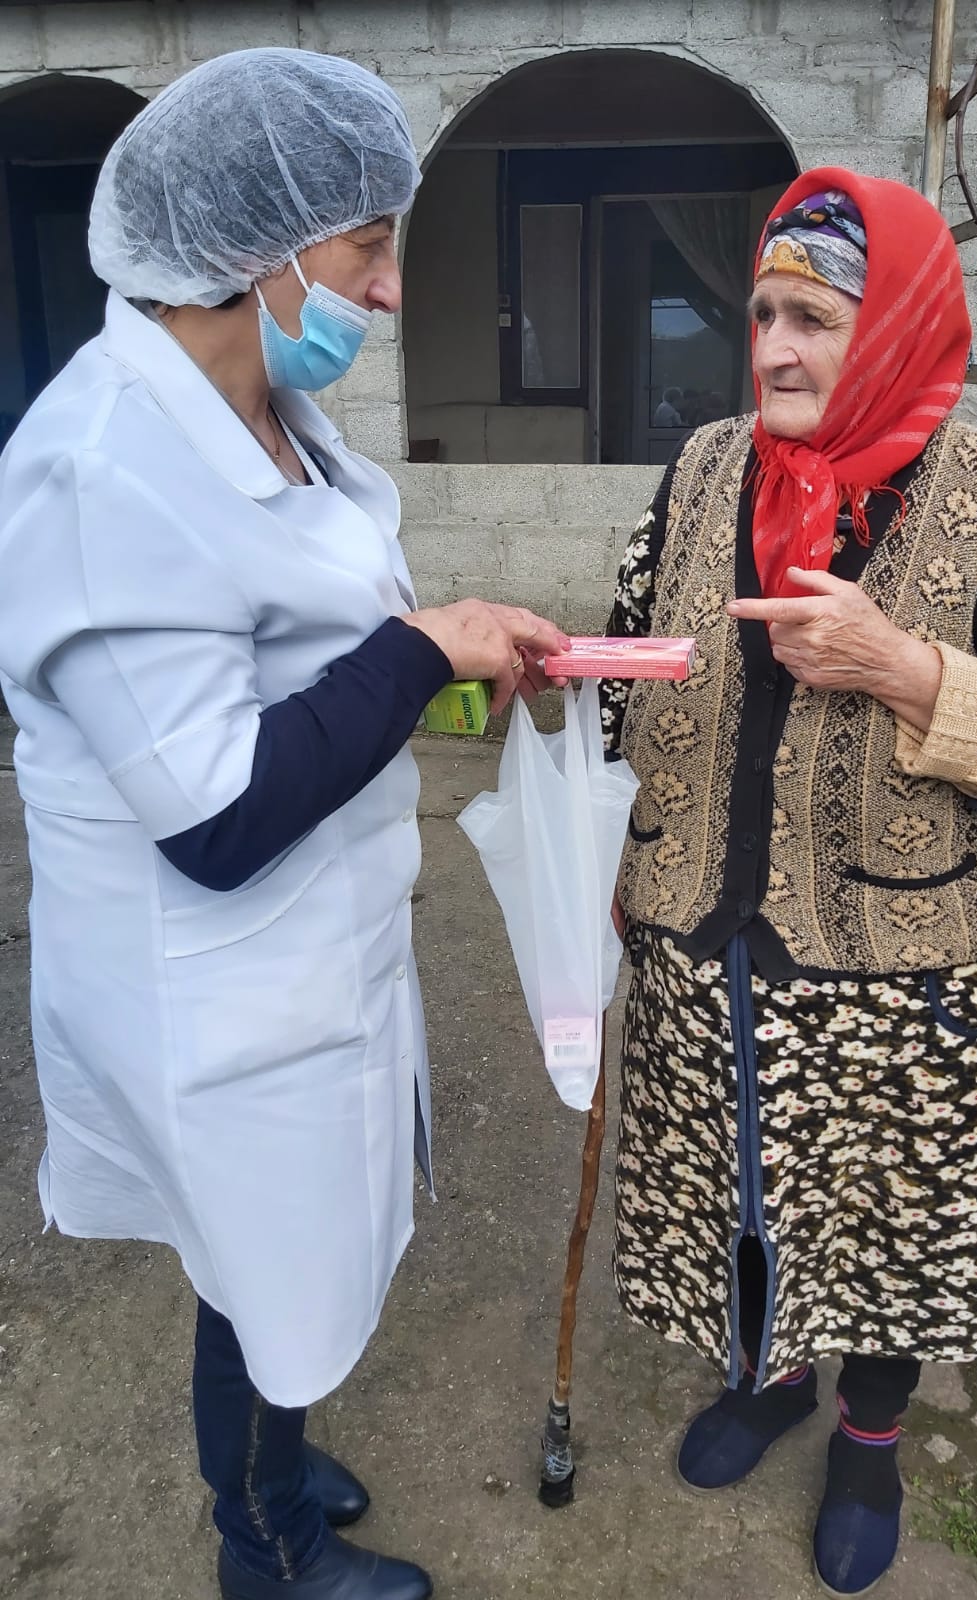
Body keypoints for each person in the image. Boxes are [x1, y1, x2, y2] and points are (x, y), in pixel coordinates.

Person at [0, 49, 568, 1600]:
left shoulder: (266, 415)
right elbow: (217, 813)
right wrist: (420, 652)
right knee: (259, 1271)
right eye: (367, 246)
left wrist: (451, 663)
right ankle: (267, 1545)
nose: (388, 290)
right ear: (252, 250)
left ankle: (273, 1462)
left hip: (306, 960)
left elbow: (319, 658)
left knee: (279, 1260)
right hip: (214, 990)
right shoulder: (102, 470)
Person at [600, 170, 977, 1597]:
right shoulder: (705, 470)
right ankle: (774, 1375)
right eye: (763, 314)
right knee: (743, 1187)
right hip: (713, 937)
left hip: (914, 968)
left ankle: (871, 1437)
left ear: (890, 327)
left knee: (890, 1212)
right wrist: (576, 678)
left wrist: (904, 670)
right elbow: (636, 638)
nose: (775, 350)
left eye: (816, 321)